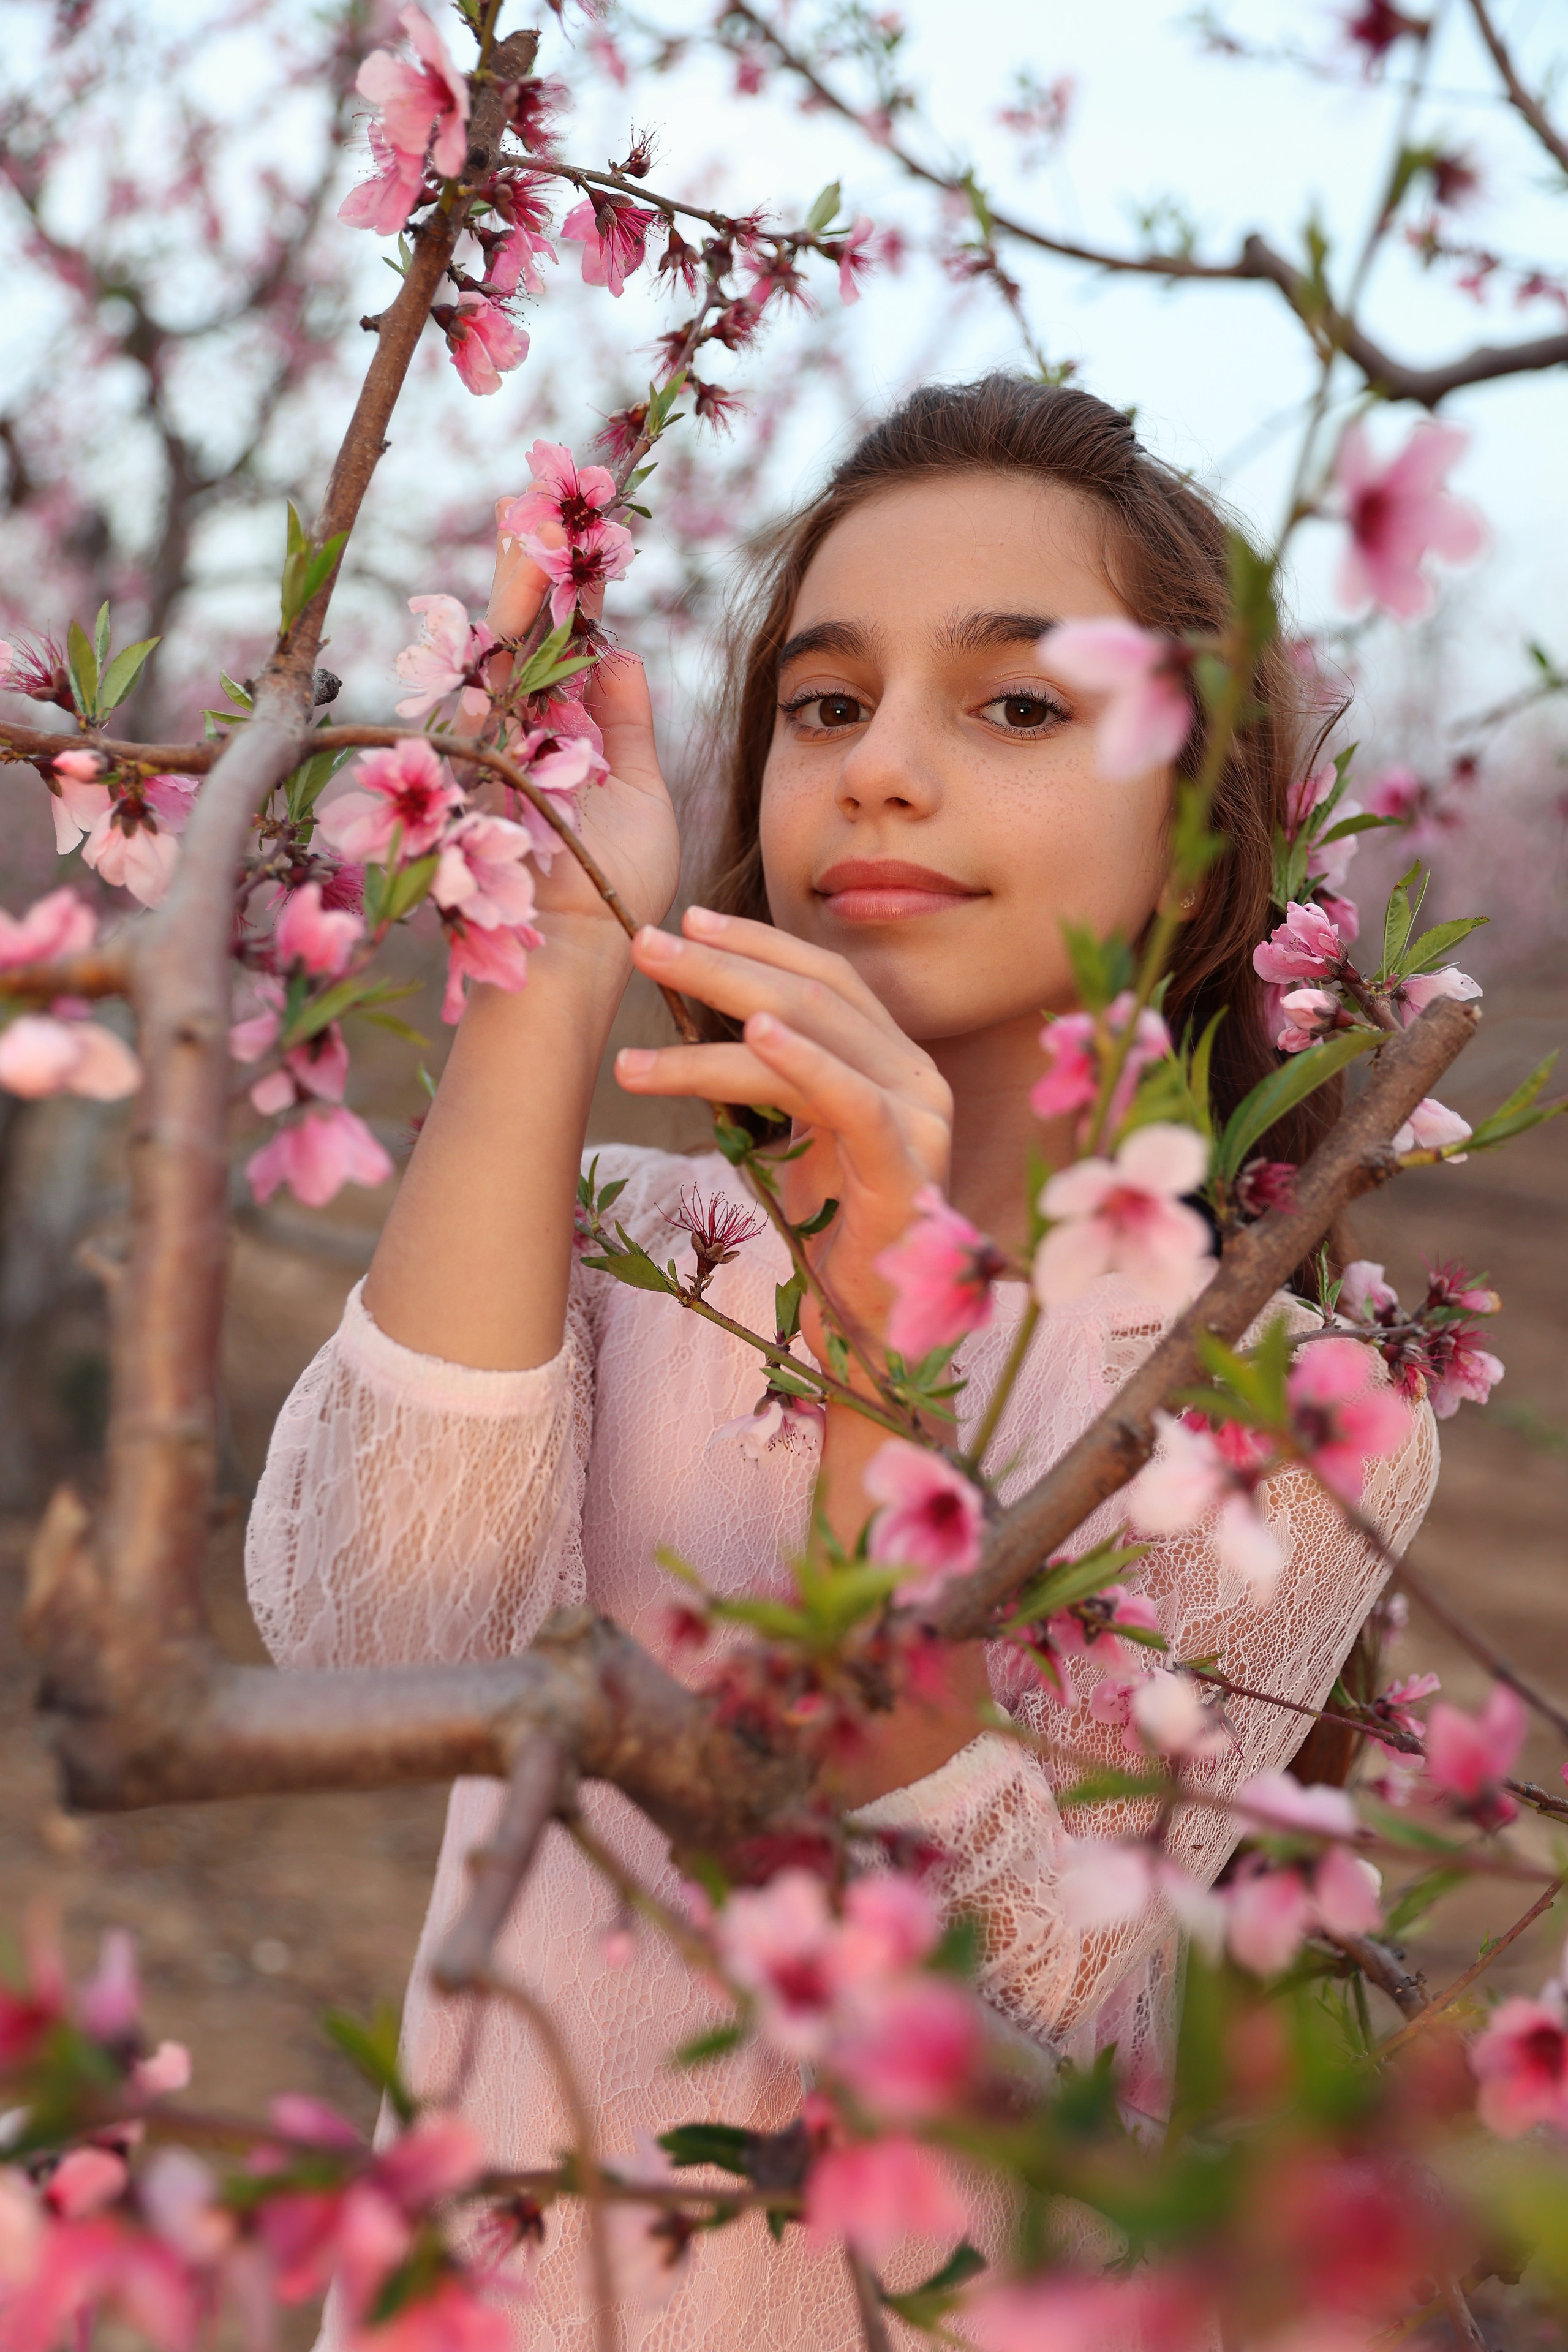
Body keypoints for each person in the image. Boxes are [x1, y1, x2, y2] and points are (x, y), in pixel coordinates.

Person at [246, 377, 1438, 2347]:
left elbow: (1012, 2016)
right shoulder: (634, 1239)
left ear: (1204, 848)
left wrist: (889, 1350)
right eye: (825, 704)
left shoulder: (1290, 1409)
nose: (879, 771)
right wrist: (544, 997)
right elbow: (374, 1640)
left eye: (1019, 706)